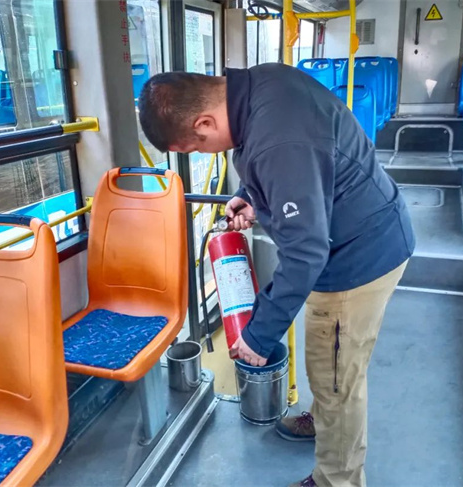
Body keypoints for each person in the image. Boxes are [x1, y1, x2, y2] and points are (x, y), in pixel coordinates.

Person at [137, 63, 415, 487]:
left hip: (356, 257)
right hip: (357, 231)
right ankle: (325, 420)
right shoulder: (262, 84)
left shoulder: (279, 142)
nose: (204, 153)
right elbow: (300, 168)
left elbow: (306, 252)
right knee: (329, 365)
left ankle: (336, 478)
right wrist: (251, 193)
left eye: (198, 147)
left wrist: (258, 334)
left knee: (336, 376)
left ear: (205, 122)